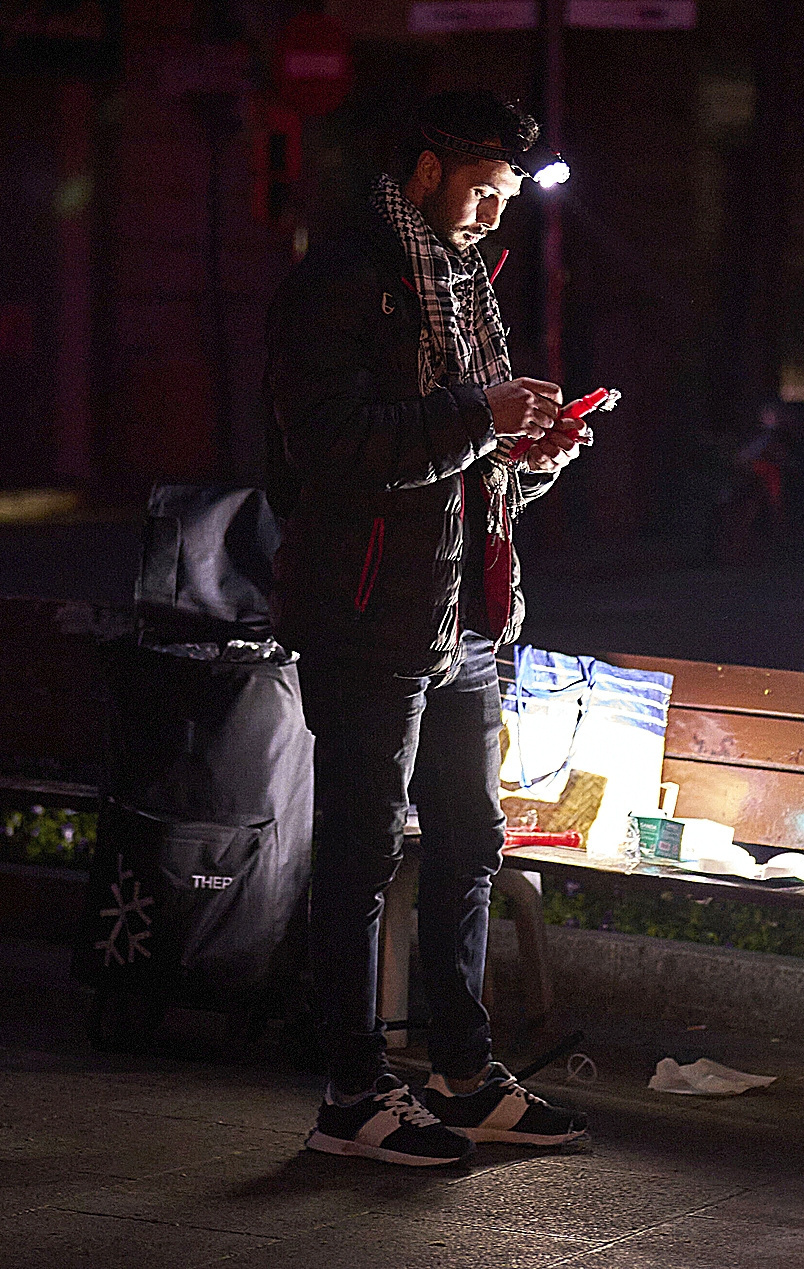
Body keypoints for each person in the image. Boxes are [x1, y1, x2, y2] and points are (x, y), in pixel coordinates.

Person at [266, 90, 589, 1166]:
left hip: (469, 613)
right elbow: (335, 448)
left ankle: (460, 1069)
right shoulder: (345, 278)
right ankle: (351, 1095)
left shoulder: (464, 281)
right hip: (367, 614)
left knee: (469, 841)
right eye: (484, 188)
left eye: (508, 191)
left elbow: (460, 467)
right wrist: (479, 421)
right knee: (360, 855)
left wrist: (525, 458)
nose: (498, 211)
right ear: (422, 170)